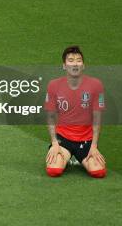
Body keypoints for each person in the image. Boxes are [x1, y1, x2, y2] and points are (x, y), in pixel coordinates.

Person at [44, 46, 107, 178]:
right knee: (53, 170)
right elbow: (50, 117)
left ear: (83, 65)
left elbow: (97, 118)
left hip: (86, 140)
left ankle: (79, 158)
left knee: (98, 172)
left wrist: (94, 146)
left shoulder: (96, 85)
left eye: (78, 60)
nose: (75, 63)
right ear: (64, 65)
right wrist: (54, 143)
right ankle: (64, 158)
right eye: (71, 60)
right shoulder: (53, 85)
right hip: (63, 138)